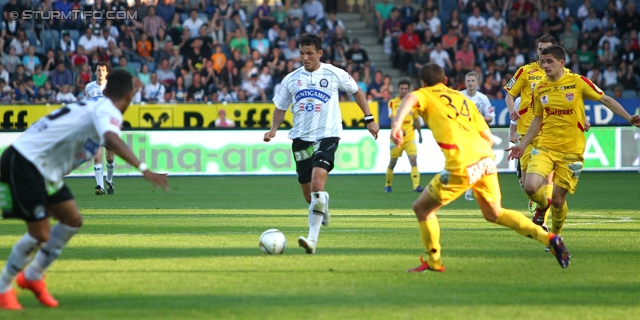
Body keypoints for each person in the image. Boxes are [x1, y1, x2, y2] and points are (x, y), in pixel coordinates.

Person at [0, 70, 169, 310]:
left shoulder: (93, 105)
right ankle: (3, 287)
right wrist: (144, 169)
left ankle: (33, 276)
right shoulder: (107, 109)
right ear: (130, 97)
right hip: (26, 163)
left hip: (42, 167)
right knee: (40, 233)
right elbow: (110, 139)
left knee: (71, 220)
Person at [391, 63, 571, 273]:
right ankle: (549, 238)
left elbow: (411, 98)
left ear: (422, 83)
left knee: (421, 208)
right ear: (446, 81)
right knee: (494, 213)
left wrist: (396, 125)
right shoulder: (463, 99)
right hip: (486, 160)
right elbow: (488, 137)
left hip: (461, 164)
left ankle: (434, 260)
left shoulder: (425, 94)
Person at [506, 45, 640, 239]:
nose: (545, 65)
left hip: (571, 150)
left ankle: (555, 237)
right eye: (543, 61)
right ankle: (543, 207)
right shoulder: (541, 88)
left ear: (562, 63)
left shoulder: (577, 82)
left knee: (559, 201)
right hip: (545, 146)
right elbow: (537, 120)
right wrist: (522, 144)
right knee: (530, 186)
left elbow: (607, 100)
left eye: (550, 61)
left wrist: (629, 117)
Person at [264, 33, 379, 254]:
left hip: (328, 135)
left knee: (318, 186)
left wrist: (369, 119)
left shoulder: (334, 74)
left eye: (309, 53)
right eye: (301, 54)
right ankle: (321, 207)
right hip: (300, 140)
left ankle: (312, 240)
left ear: (319, 53)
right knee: (311, 197)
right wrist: (274, 129)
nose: (305, 58)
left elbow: (356, 91)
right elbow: (280, 107)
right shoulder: (291, 79)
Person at [504, 34, 563, 225]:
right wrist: (512, 110)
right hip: (526, 132)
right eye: (539, 49)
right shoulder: (525, 71)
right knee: (527, 182)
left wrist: (583, 118)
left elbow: (573, 97)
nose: (541, 53)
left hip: (549, 132)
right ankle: (538, 199)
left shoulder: (561, 73)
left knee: (547, 177)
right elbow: (509, 95)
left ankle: (542, 219)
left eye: (546, 50)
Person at [460, 71, 495, 201]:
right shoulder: (459, 96)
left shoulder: (483, 98)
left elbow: (491, 118)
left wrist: (478, 117)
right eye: (468, 81)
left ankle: (471, 189)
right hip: (463, 133)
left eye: (472, 81)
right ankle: (468, 187)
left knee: (477, 161)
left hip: (479, 134)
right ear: (465, 83)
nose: (470, 83)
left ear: (477, 83)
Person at [385, 79, 423, 193]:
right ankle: (388, 185)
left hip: (410, 137)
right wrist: (399, 129)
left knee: (413, 160)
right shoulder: (392, 103)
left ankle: (416, 187)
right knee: (392, 162)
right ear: (398, 89)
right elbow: (392, 118)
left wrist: (420, 134)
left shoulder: (413, 104)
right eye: (401, 88)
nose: (403, 90)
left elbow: (416, 119)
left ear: (409, 90)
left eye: (406, 89)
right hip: (396, 137)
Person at [84, 62, 117, 196]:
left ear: (107, 72)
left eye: (103, 70)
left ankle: (109, 179)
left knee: (109, 158)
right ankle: (100, 186)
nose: (100, 72)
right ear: (95, 72)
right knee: (97, 156)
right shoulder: (89, 87)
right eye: (98, 70)